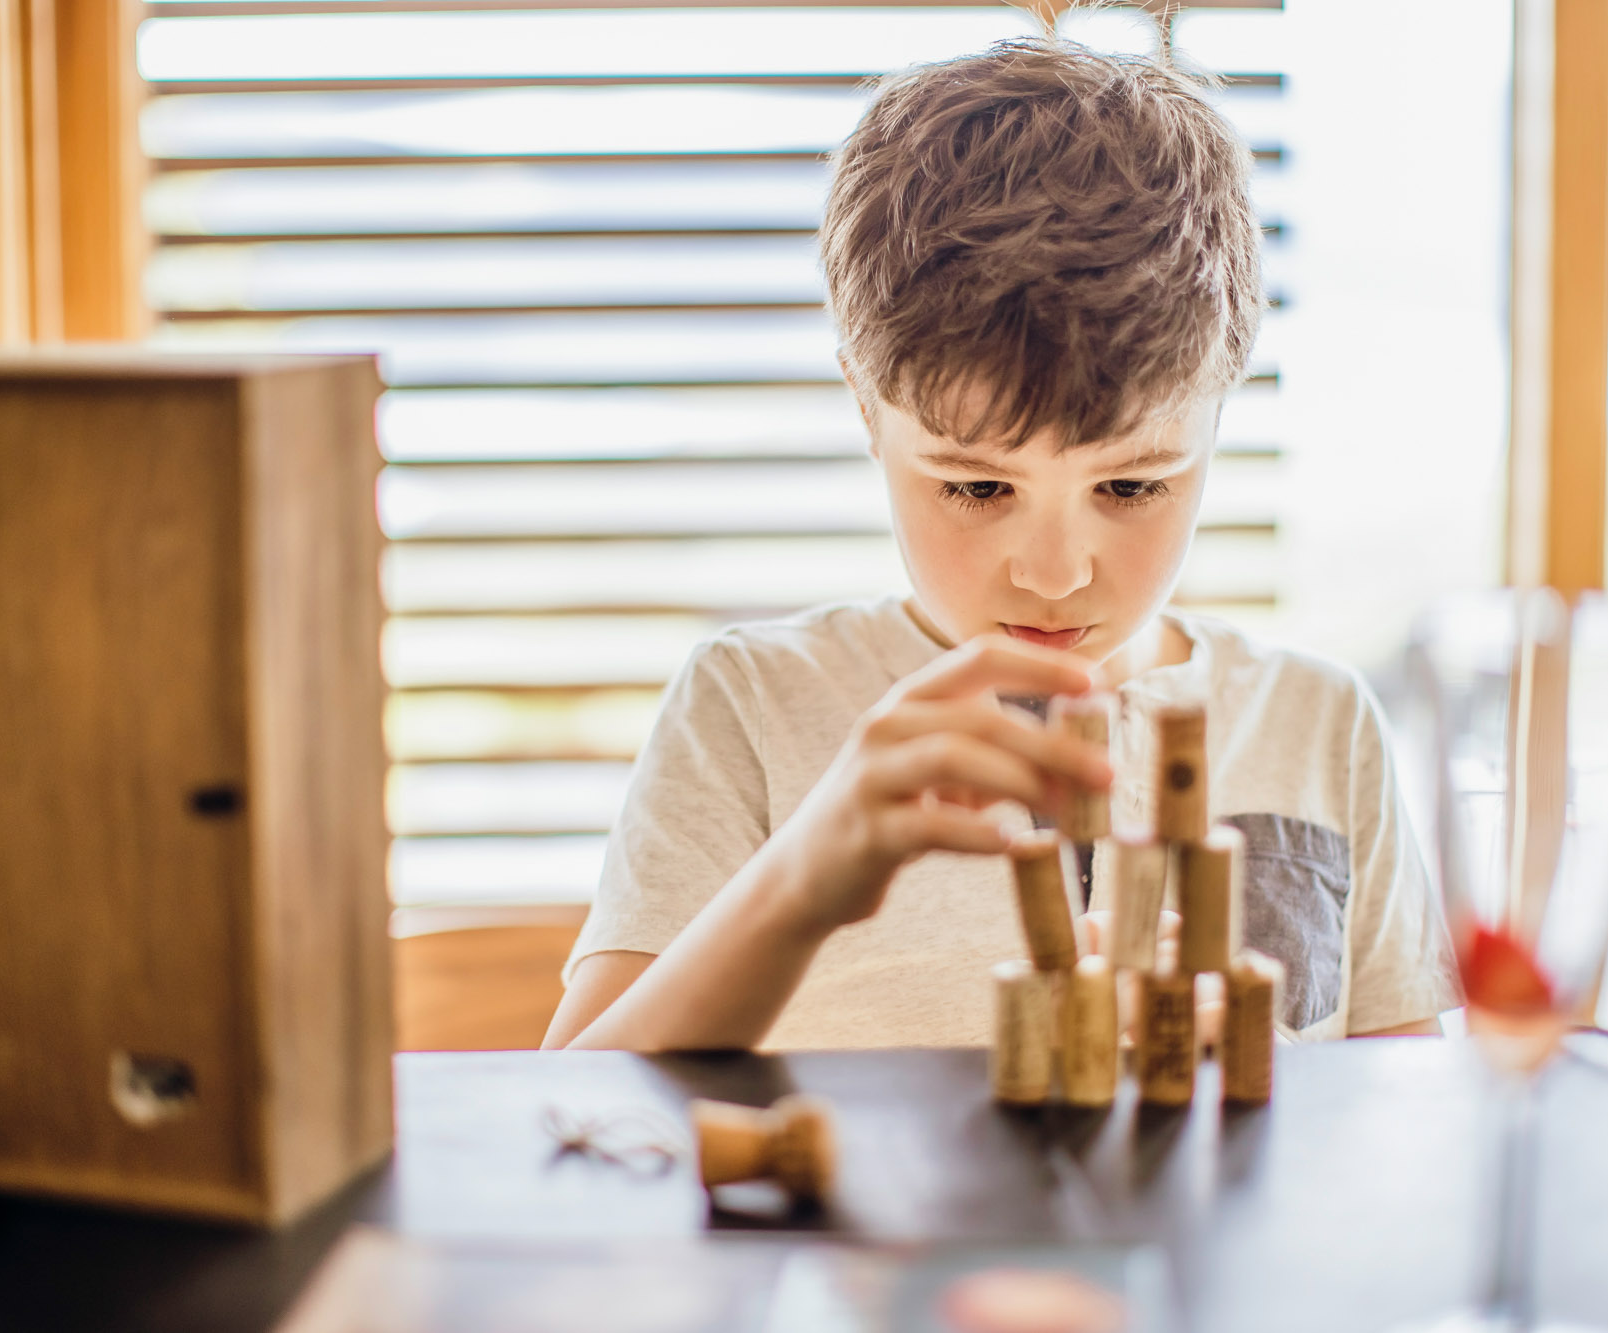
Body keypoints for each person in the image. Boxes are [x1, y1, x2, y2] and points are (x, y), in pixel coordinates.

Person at [543, 38, 1461, 1052]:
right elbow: (573, 1110)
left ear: (1218, 412)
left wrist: (1251, 1082)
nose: (1055, 574)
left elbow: (1412, 1136)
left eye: (1132, 484)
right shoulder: (750, 707)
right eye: (976, 485)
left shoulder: (1319, 725)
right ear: (864, 406)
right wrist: (800, 881)